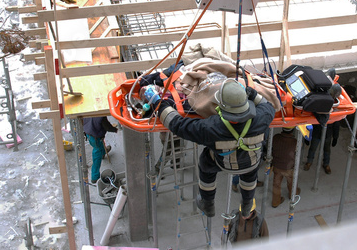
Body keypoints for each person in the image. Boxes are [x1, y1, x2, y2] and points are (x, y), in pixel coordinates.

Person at [141, 78, 275, 218]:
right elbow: (269, 106)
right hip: (251, 162)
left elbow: (177, 125)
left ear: (221, 105)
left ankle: (207, 202)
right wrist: (252, 94)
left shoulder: (211, 127)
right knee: (250, 171)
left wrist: (158, 102)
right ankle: (247, 204)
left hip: (222, 163)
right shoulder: (262, 118)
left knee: (206, 163)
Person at [271, 127, 301, 208]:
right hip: (288, 167)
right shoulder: (294, 142)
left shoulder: (275, 137)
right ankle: (293, 195)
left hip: (277, 166)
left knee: (276, 185)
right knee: (291, 182)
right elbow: (296, 154)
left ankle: (275, 202)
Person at [83, 116, 118, 183]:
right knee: (97, 152)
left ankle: (103, 152)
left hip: (89, 133)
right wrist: (115, 130)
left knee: (100, 144)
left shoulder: (90, 111)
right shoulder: (101, 117)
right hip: (95, 136)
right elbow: (107, 127)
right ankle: (95, 177)